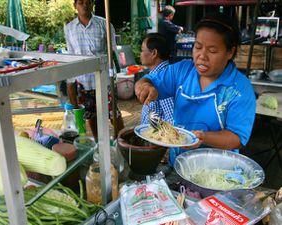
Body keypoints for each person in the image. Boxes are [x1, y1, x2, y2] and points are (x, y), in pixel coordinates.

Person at [135, 12, 256, 166]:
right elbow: (149, 80)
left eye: (212, 51)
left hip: (218, 171)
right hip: (178, 164)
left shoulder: (239, 89)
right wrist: (144, 86)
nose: (201, 56)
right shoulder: (182, 71)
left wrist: (204, 137)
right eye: (197, 47)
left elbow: (237, 138)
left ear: (230, 52)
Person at [64, 0, 124, 139]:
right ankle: (99, 142)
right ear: (75, 5)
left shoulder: (104, 24)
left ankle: (122, 142)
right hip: (84, 80)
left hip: (104, 79)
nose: (84, 5)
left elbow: (113, 51)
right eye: (81, 2)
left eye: (88, 2)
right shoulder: (69, 28)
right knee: (91, 114)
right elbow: (71, 55)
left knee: (113, 113)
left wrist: (113, 75)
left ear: (92, 5)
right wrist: (71, 80)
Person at [139, 33, 174, 125]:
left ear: (154, 53)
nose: (141, 54)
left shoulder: (164, 78)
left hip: (158, 137)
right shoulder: (155, 74)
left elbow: (172, 118)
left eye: (142, 50)